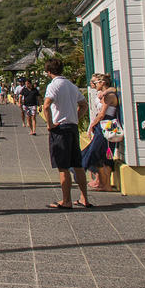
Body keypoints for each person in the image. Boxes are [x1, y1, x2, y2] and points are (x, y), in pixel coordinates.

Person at [41, 58, 91, 209]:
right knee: (77, 165)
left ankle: (66, 200)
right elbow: (84, 105)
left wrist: (50, 125)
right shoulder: (71, 85)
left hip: (60, 128)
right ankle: (84, 198)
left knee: (62, 166)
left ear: (49, 72)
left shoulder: (53, 86)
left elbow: (46, 106)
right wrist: (76, 117)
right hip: (72, 127)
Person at [82, 74, 117, 192]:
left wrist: (91, 125)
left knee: (102, 155)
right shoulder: (105, 94)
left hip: (106, 126)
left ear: (102, 83)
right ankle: (102, 183)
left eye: (95, 83)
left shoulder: (109, 96)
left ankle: (106, 185)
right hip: (102, 127)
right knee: (100, 156)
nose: (93, 85)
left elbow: (102, 114)